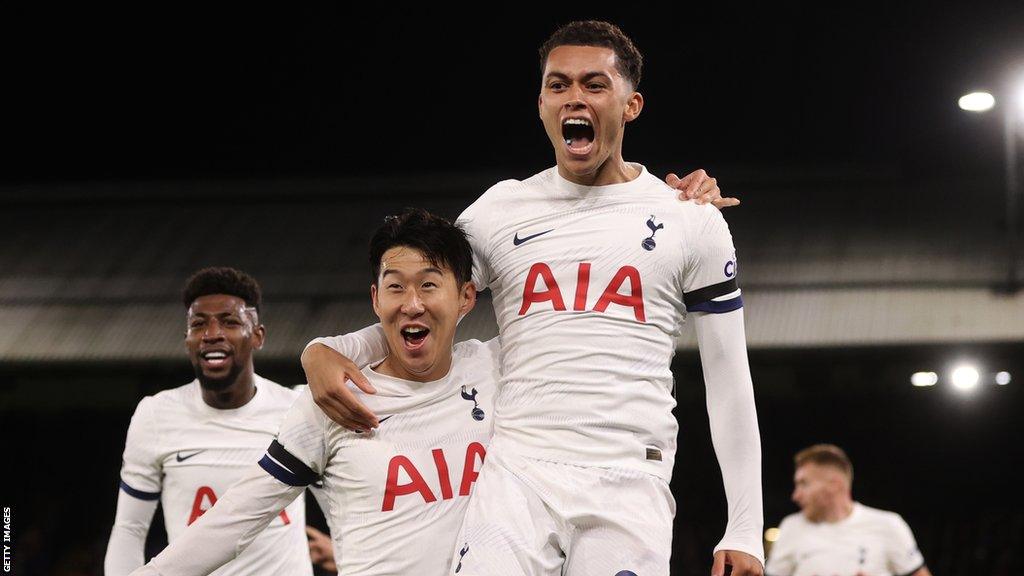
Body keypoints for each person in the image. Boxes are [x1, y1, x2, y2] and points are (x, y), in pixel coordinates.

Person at [302, 20, 763, 576]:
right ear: (542, 102)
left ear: (631, 104)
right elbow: (423, 301)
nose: (574, 97)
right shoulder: (499, 211)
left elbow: (730, 379)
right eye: (558, 84)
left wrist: (744, 527)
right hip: (517, 473)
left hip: (629, 480)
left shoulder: (691, 219)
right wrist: (328, 349)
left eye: (595, 84)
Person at [128, 208, 501, 576]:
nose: (412, 303)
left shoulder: (500, 368)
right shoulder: (334, 399)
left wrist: (323, 347)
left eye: (429, 284)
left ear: (466, 297)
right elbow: (235, 519)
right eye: (396, 287)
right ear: (376, 299)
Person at [104, 267, 316, 575]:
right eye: (198, 324)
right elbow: (129, 529)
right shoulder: (155, 415)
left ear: (258, 336)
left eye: (229, 322)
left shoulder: (296, 407)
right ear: (187, 340)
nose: (212, 334)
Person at [765, 444, 931, 576]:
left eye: (804, 484)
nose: (795, 495)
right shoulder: (790, 527)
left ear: (834, 485)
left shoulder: (888, 525)